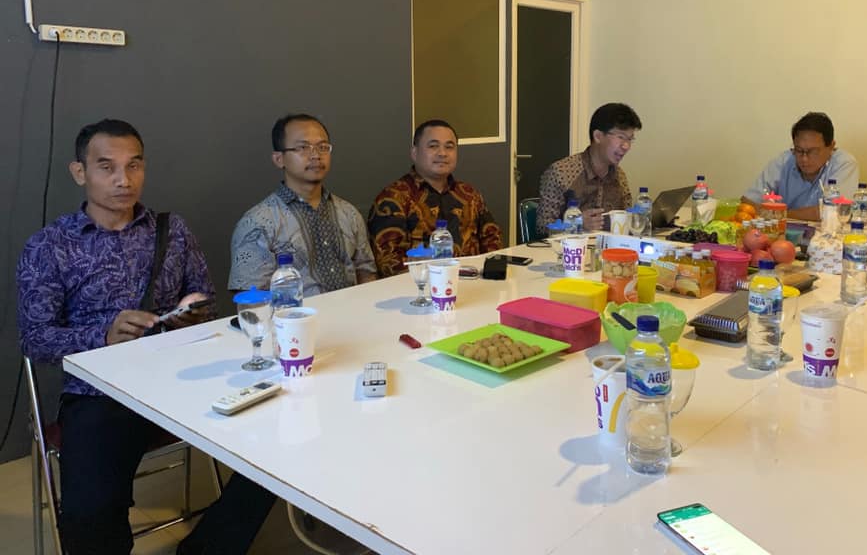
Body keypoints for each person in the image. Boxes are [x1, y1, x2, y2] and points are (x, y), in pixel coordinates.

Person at [16, 119, 275, 555]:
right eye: (107, 167)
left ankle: (208, 547)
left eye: (134, 165)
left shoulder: (172, 231)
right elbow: (35, 339)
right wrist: (104, 334)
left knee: (276, 444)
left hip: (179, 376)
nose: (124, 179)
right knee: (91, 510)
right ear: (80, 172)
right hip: (100, 393)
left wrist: (190, 313)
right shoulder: (49, 246)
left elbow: (207, 306)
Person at [230, 114, 377, 295]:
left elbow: (367, 273)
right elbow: (250, 299)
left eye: (323, 147)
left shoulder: (348, 213)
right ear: (279, 159)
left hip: (353, 311)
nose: (316, 155)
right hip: (292, 313)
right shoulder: (257, 223)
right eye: (303, 147)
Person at [368, 119, 502, 277]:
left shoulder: (469, 194)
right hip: (418, 286)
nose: (442, 153)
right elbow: (388, 262)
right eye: (433, 146)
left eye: (449, 147)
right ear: (414, 153)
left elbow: (492, 238)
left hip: (474, 280)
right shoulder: (393, 198)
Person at [537, 102, 641, 235]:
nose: (626, 146)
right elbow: (542, 227)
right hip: (570, 247)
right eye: (621, 137)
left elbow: (627, 218)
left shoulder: (619, 175)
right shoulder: (561, 172)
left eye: (630, 139)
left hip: (608, 246)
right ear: (598, 136)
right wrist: (577, 224)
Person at [742, 111, 859, 221]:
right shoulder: (784, 161)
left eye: (813, 151)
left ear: (831, 146)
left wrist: (779, 214)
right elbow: (748, 201)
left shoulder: (844, 163)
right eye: (799, 150)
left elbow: (836, 211)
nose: (804, 158)